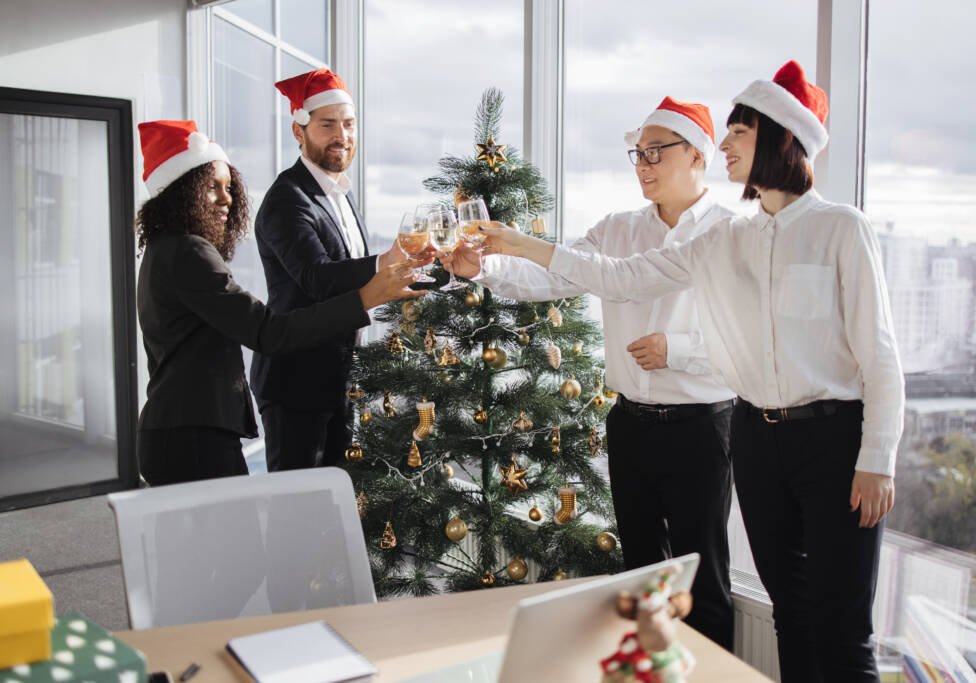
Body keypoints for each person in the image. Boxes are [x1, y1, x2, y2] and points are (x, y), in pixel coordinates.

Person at [479, 61, 903, 683]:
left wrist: (878, 457)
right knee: (792, 615)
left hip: (834, 442)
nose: (725, 146)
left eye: (739, 133)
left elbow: (880, 354)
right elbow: (620, 277)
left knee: (843, 630)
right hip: (758, 439)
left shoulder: (841, 228)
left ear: (782, 138)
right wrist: (517, 245)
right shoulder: (728, 240)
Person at [443, 98, 737, 650]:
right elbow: (556, 278)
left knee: (706, 586)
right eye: (638, 154)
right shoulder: (618, 229)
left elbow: (746, 344)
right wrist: (483, 267)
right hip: (630, 425)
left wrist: (678, 349)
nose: (643, 164)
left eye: (656, 152)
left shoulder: (729, 232)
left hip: (704, 429)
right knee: (641, 577)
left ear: (698, 155)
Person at [135, 119, 423, 486]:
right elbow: (269, 332)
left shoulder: (166, 250)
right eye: (211, 188)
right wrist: (369, 295)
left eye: (228, 187)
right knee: (241, 540)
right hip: (190, 437)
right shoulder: (187, 252)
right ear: (180, 193)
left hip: (182, 430)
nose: (227, 198)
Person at [250, 68, 412, 472]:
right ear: (299, 131)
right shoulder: (288, 199)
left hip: (337, 376)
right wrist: (383, 263)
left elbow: (345, 267)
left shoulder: (338, 190)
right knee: (297, 506)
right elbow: (318, 278)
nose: (342, 135)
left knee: (335, 498)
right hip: (296, 380)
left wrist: (395, 263)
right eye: (327, 125)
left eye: (349, 124)